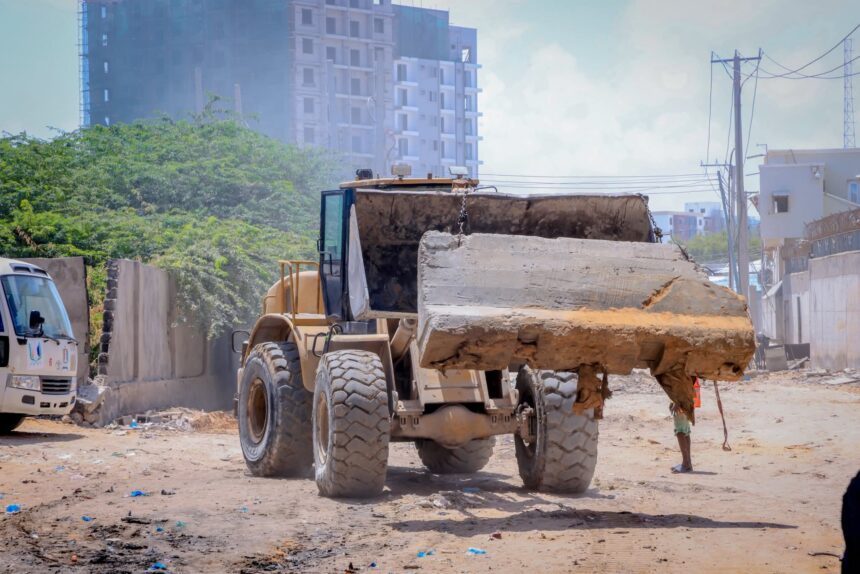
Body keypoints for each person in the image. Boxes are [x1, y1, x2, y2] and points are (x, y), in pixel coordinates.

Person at [669, 377, 699, 473]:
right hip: (686, 398)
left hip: (681, 399)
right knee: (685, 430)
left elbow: (681, 380)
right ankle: (687, 462)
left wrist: (677, 402)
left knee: (680, 431)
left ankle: (686, 464)